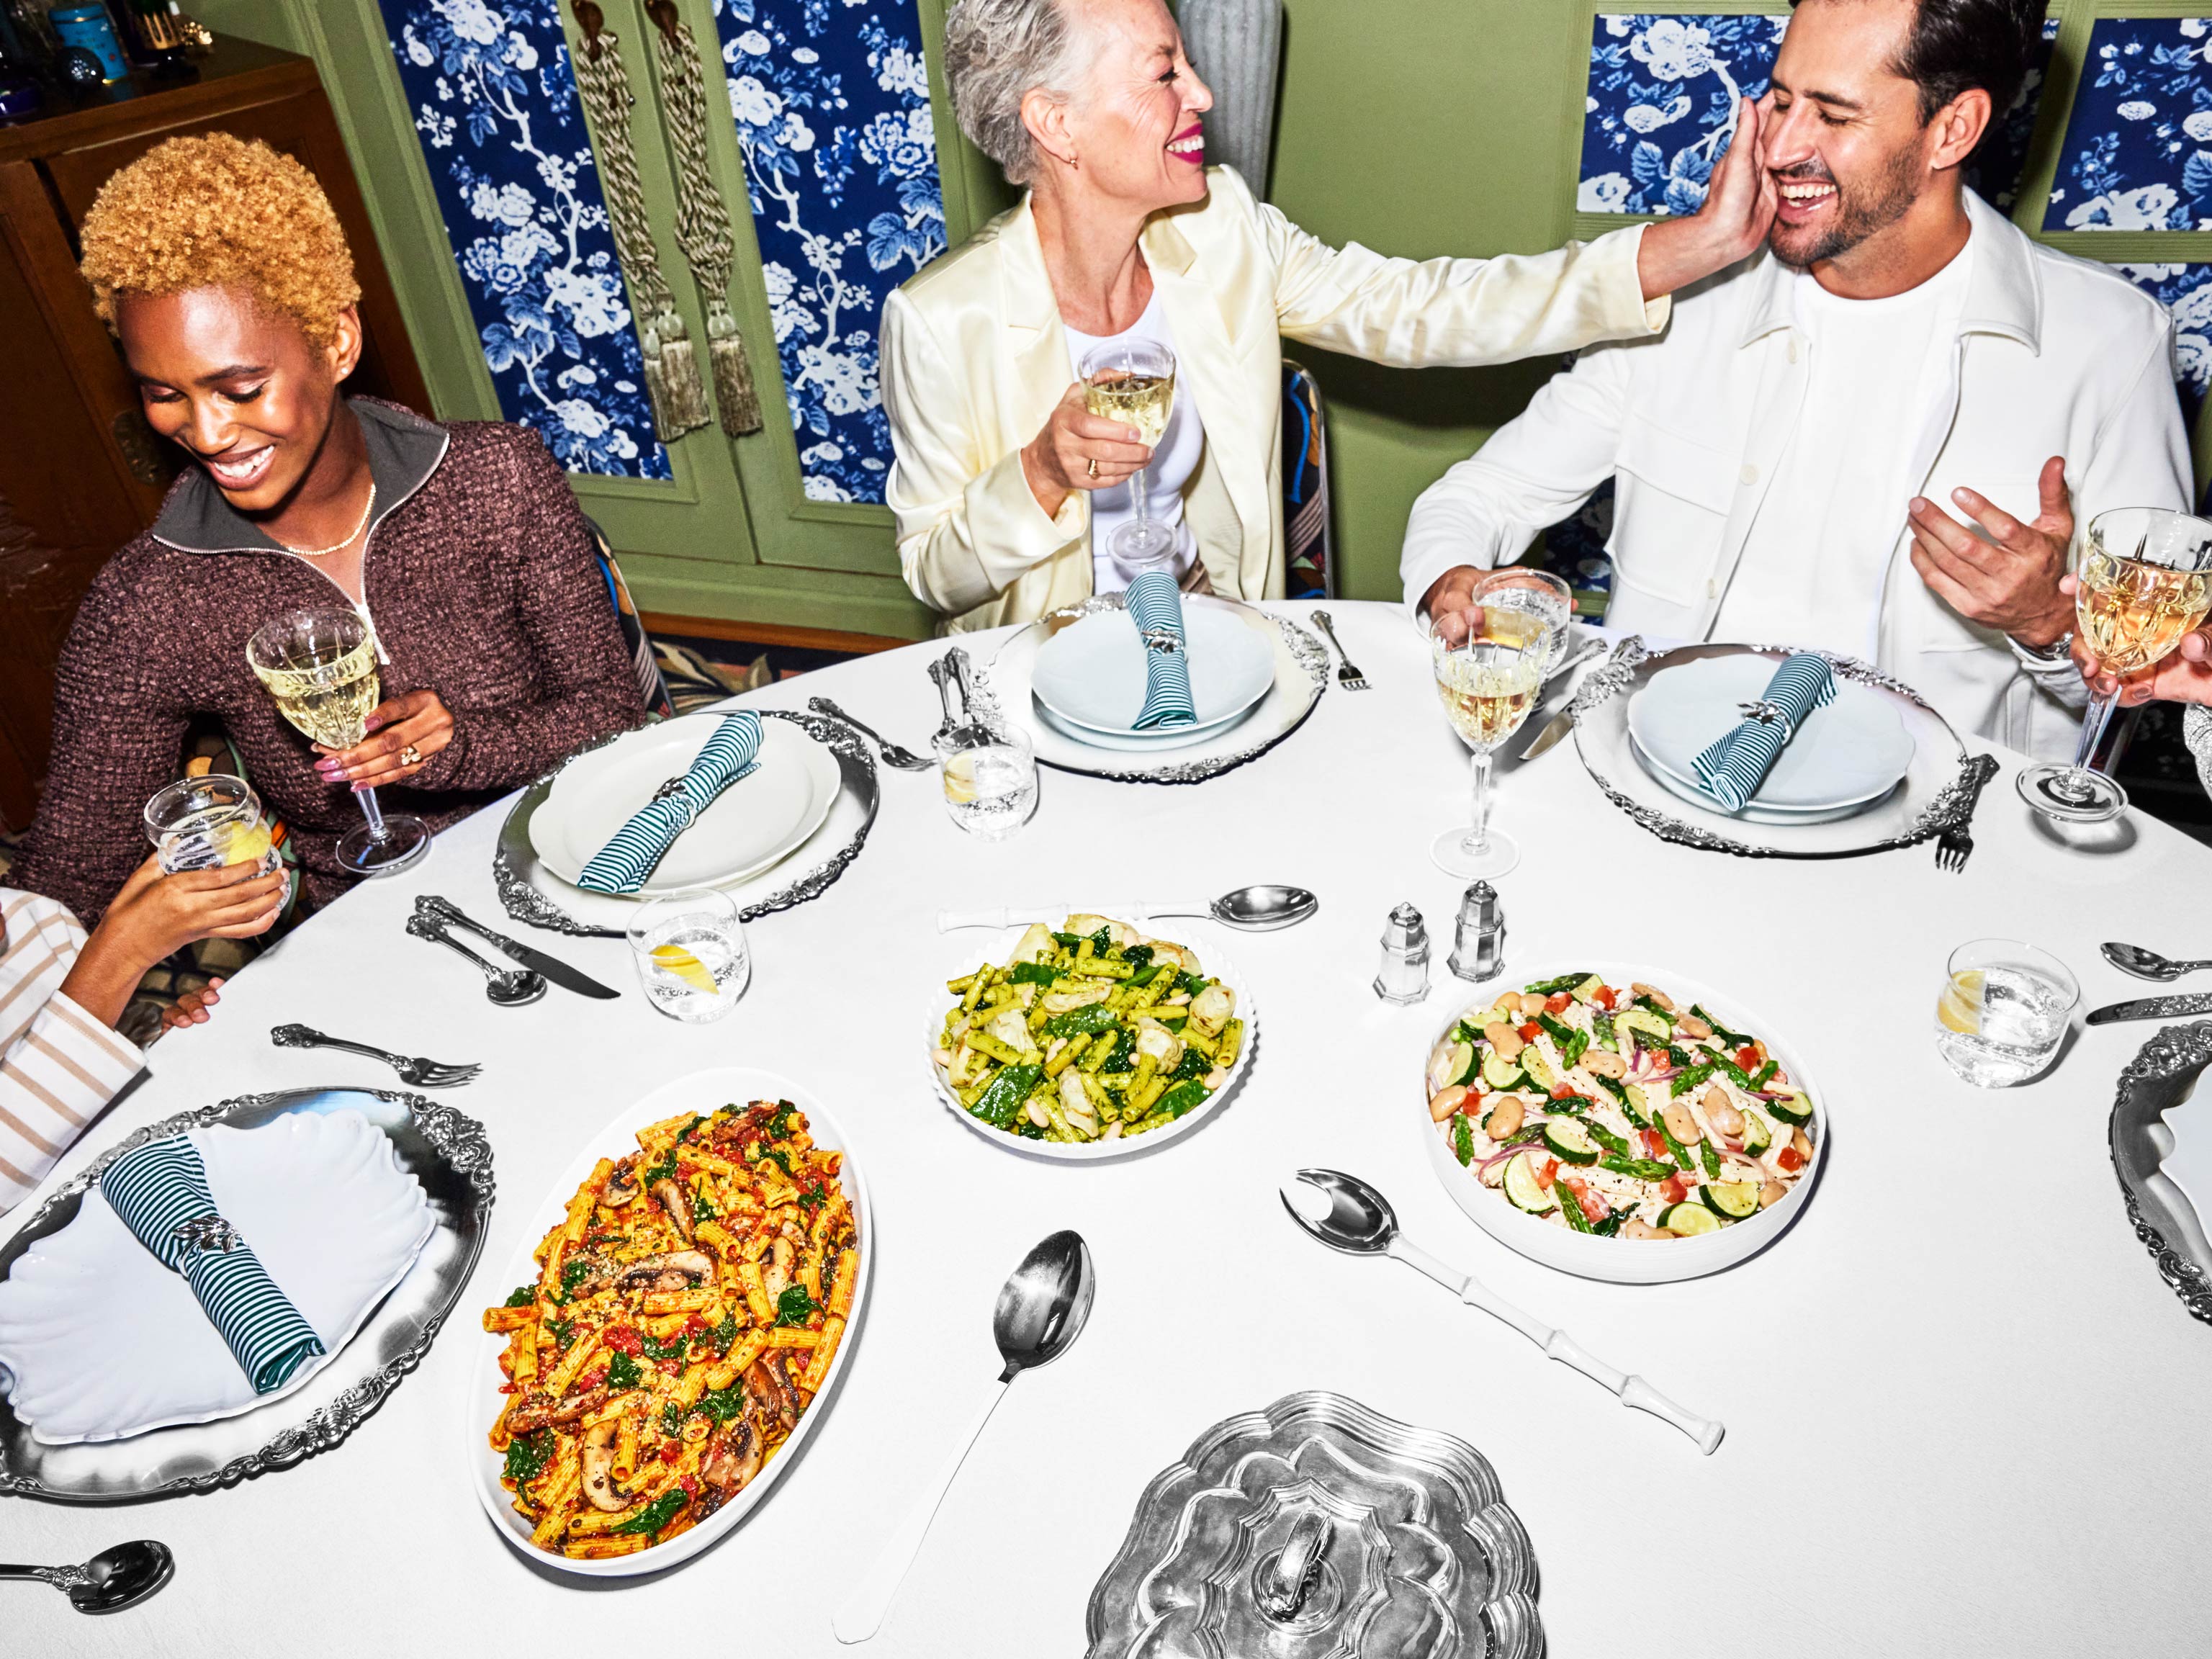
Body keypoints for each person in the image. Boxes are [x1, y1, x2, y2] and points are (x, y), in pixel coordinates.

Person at [1401, 0, 2191, 762]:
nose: (1779, 148)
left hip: (1930, 851)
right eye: (1779, 101)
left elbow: (2145, 688)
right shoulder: (1686, 302)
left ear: (1953, 129)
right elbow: (1476, 500)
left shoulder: (2111, 346)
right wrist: (1453, 582)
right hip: (1655, 783)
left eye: (1834, 115)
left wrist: (2046, 619)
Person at [884, 0, 1779, 632]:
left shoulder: (1225, 229)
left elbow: (1421, 309)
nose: (1202, 95)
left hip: (1224, 653)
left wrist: (1689, 247)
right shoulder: (939, 322)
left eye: (1188, 60)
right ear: (1055, 123)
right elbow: (936, 575)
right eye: (1165, 73)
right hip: (1047, 692)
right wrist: (1041, 470)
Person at [10, 134, 647, 924]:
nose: (206, 434)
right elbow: (71, 872)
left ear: (337, 342)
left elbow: (611, 710)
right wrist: (80, 997)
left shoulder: (498, 479)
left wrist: (457, 749)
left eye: (241, 387)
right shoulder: (151, 603)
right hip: (383, 922)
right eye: (163, 393)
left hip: (581, 846)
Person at [1, 856, 282, 1215]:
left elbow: (101, 1044)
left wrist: (158, 1036)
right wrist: (120, 955)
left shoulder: (36, 918)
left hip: (147, 1174)